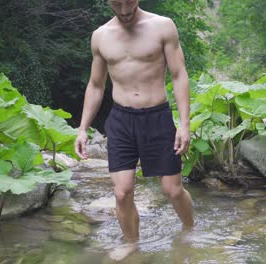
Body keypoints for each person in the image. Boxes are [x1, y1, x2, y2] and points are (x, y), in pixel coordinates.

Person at [74, 0, 194, 261]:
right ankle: (132, 244)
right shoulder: (100, 36)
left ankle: (189, 229)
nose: (125, 10)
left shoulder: (163, 26)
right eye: (118, 4)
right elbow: (96, 85)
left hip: (157, 117)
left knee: (172, 190)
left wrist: (184, 124)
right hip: (121, 119)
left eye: (129, 2)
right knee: (122, 191)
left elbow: (178, 74)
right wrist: (83, 128)